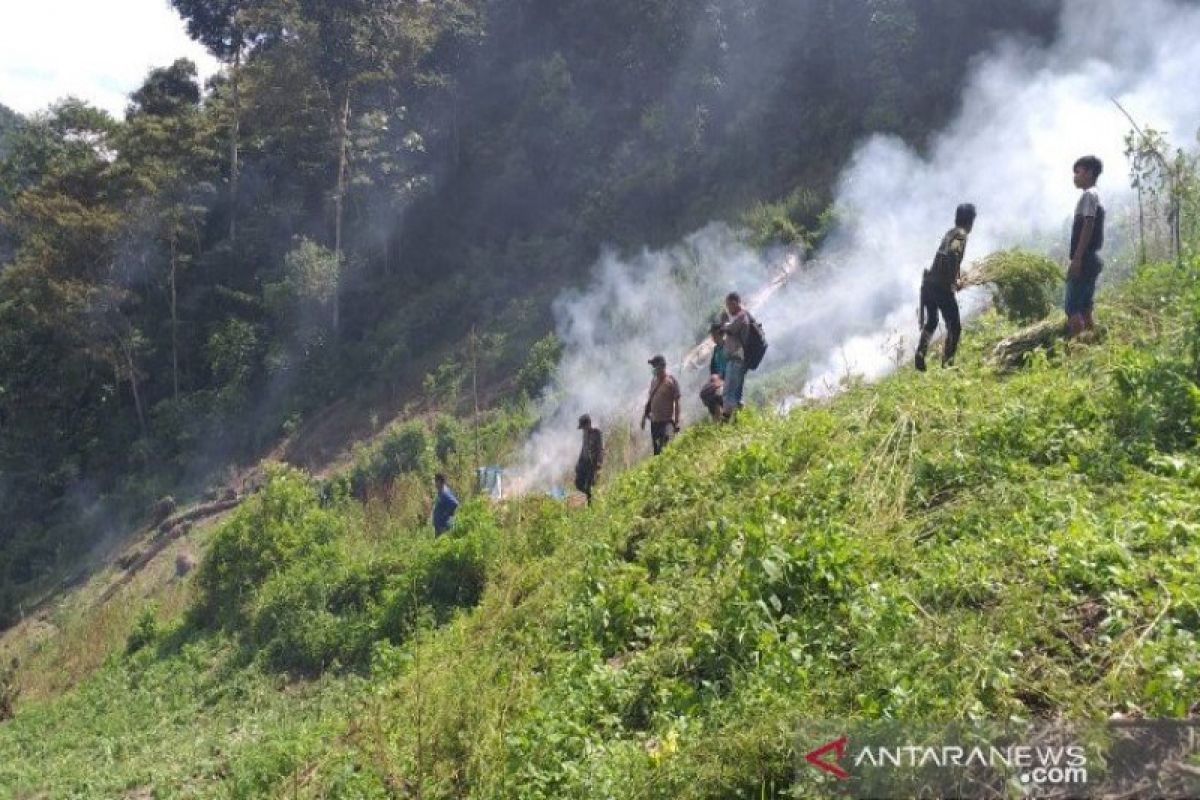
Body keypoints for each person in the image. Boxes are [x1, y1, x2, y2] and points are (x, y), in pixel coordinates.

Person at [916, 203, 976, 371]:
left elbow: (946, 257)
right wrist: (953, 281)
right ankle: (947, 365)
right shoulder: (961, 236)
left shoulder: (950, 232)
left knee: (932, 322)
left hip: (929, 284)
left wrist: (956, 276)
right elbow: (951, 256)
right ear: (970, 221)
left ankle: (920, 355)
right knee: (955, 327)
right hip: (941, 288)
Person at [1066, 155, 1105, 337]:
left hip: (1085, 258)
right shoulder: (1095, 195)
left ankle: (1077, 350)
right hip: (1092, 259)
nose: (1075, 176)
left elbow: (1088, 225)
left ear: (1089, 173)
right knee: (1085, 306)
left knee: (1072, 307)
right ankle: (1093, 344)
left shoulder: (1089, 195)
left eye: (1078, 172)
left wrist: (1077, 259)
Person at [641, 354, 681, 455]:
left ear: (662, 366)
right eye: (653, 366)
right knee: (657, 452)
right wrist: (643, 418)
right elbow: (650, 400)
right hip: (654, 423)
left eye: (655, 366)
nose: (653, 369)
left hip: (666, 422)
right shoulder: (653, 381)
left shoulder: (671, 381)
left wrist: (676, 422)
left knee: (666, 449)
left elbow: (677, 402)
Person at [720, 292, 750, 419]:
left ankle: (726, 421)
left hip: (736, 360)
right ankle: (739, 420)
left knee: (728, 393)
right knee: (737, 394)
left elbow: (730, 329)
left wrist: (724, 322)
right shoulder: (741, 316)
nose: (728, 309)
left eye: (728, 305)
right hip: (737, 360)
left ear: (735, 303)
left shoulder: (742, 316)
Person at [574, 414, 604, 505]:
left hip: (592, 463)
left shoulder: (596, 433)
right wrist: (578, 462)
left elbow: (600, 449)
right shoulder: (585, 434)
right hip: (584, 462)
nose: (583, 429)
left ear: (588, 424)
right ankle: (589, 497)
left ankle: (591, 503)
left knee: (589, 485)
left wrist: (598, 463)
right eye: (582, 427)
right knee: (578, 483)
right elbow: (583, 448)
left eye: (584, 426)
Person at [700, 323, 728, 421]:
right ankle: (717, 418)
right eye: (712, 335)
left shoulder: (727, 346)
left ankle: (723, 416)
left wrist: (721, 377)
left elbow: (732, 365)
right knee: (705, 393)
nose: (712, 337)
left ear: (720, 333)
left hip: (728, 378)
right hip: (719, 379)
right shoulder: (716, 349)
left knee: (714, 395)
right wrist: (714, 377)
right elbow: (713, 368)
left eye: (714, 334)